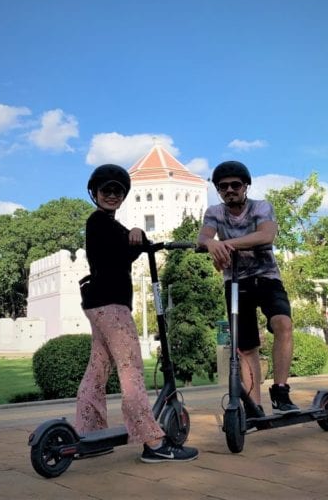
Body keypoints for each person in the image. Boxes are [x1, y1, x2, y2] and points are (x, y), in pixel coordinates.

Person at [75, 164, 199, 463]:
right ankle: (153, 441)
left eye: (118, 190)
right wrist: (138, 234)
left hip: (100, 305)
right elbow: (127, 245)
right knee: (131, 371)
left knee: (98, 368)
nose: (112, 195)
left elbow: (126, 249)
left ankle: (90, 433)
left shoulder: (107, 225)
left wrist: (137, 234)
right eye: (106, 190)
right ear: (95, 193)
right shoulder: (100, 222)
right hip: (112, 307)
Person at [197, 160, 300, 417]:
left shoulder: (261, 207)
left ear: (245, 186)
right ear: (218, 190)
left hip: (266, 278)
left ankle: (281, 390)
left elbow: (266, 235)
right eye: (223, 187)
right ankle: (254, 405)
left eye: (235, 185)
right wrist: (210, 244)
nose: (229, 190)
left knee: (283, 324)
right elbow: (203, 238)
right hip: (235, 283)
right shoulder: (214, 212)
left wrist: (223, 244)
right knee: (246, 346)